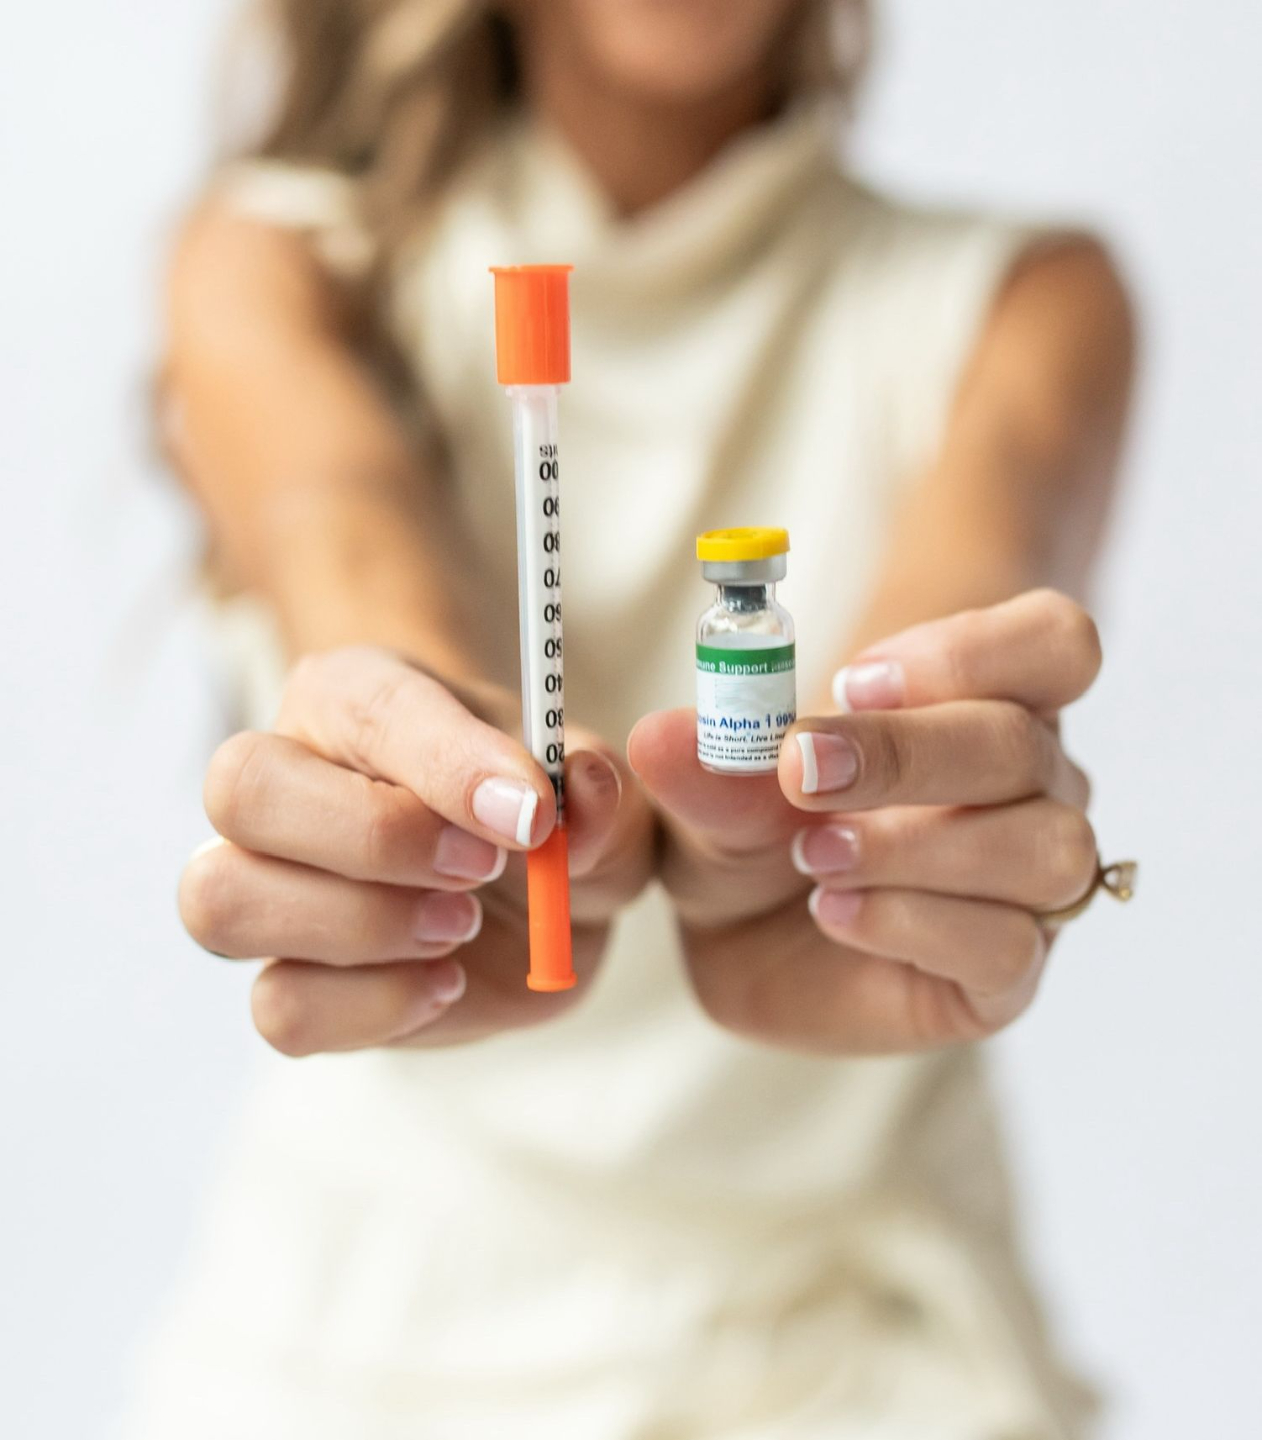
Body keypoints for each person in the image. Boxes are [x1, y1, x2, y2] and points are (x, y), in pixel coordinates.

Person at [130, 0, 1135, 1434]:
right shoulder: (281, 259)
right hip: (364, 1340)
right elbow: (345, 538)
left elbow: (930, 650)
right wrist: (432, 754)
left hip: (867, 1348)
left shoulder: (1022, 299)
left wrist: (863, 823)